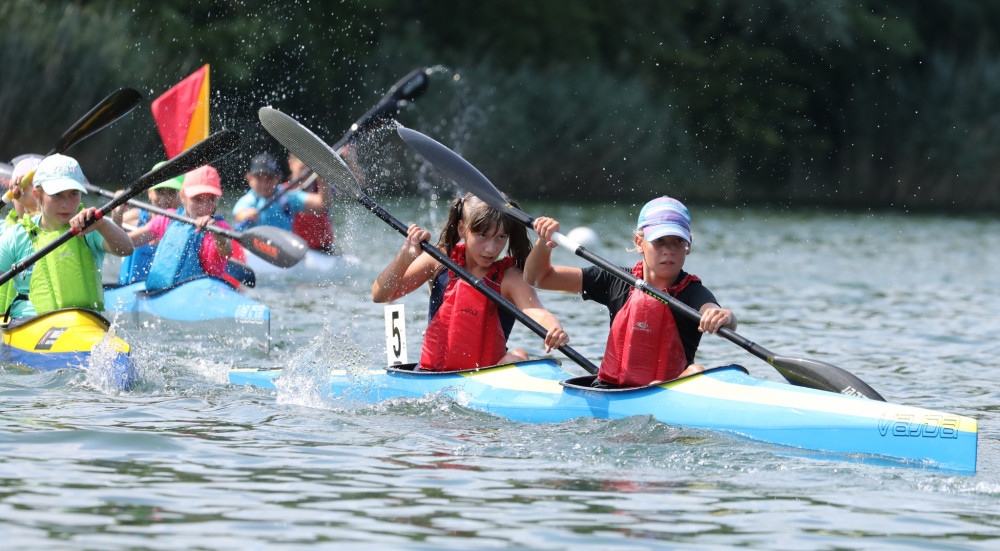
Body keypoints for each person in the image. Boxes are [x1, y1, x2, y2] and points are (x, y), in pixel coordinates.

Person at [524, 196, 736, 388]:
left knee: (697, 372)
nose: (668, 250)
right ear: (639, 243)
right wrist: (544, 242)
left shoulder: (691, 292)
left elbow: (720, 318)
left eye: (677, 241)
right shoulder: (615, 279)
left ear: (688, 245)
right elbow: (539, 278)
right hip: (609, 390)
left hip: (668, 393)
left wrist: (725, 316)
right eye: (659, 241)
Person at [372, 193, 569, 372]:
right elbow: (381, 295)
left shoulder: (510, 277)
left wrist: (553, 328)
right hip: (431, 375)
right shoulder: (439, 260)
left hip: (485, 380)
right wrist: (405, 256)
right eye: (482, 235)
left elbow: (536, 311)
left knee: (519, 355)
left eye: (501, 237)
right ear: (462, 229)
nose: (491, 249)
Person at [0, 154, 133, 320]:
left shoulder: (91, 224)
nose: (66, 204)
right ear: (37, 195)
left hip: (83, 323)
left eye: (73, 194)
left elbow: (126, 249)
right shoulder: (17, 235)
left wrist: (102, 225)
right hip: (27, 323)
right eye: (57, 195)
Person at [128, 165, 240, 291]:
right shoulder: (167, 218)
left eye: (211, 200)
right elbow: (127, 243)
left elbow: (227, 251)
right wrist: (107, 226)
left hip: (203, 299)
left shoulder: (220, 228)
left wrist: (216, 234)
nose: (205, 207)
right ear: (182, 196)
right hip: (161, 295)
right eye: (197, 199)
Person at [112, 162, 184, 284]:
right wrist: (117, 211)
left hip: (164, 294)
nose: (165, 199)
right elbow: (113, 237)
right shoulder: (135, 217)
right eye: (160, 192)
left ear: (182, 196)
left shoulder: (184, 226)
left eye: (172, 192)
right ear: (149, 193)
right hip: (129, 292)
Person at [232, 152, 334, 235]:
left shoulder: (287, 196)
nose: (264, 184)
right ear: (249, 178)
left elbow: (323, 203)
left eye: (269, 178)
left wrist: (322, 177)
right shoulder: (248, 200)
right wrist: (245, 215)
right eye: (259, 178)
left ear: (278, 178)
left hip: (282, 253)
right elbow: (238, 215)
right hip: (255, 250)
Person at [286, 153, 335, 252]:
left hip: (325, 250)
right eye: (302, 168)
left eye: (309, 170)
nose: (306, 174)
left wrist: (351, 160)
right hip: (296, 251)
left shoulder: (322, 187)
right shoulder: (284, 193)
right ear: (291, 164)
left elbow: (359, 182)